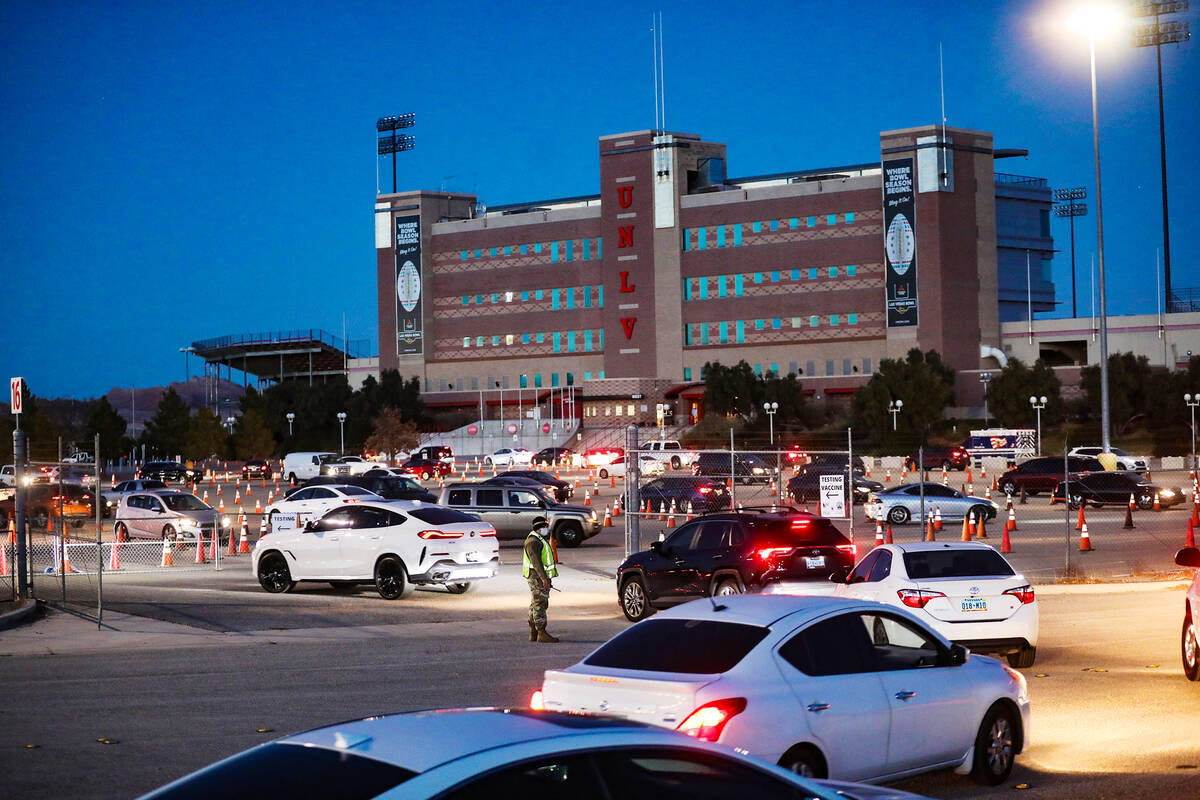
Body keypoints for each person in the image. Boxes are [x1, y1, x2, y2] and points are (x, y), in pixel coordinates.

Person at [523, 516, 559, 643]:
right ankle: (541, 633)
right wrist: (544, 579)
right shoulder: (533, 542)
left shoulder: (538, 539)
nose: (546, 529)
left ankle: (534, 632)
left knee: (535, 604)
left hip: (537, 577)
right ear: (540, 528)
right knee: (540, 604)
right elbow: (537, 563)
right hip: (537, 578)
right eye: (545, 527)